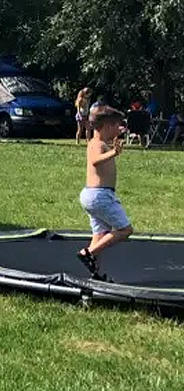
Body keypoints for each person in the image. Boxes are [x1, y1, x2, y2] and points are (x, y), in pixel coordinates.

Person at [77, 106, 133, 280]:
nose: (120, 129)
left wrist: (112, 151)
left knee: (100, 235)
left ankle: (96, 274)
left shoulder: (103, 144)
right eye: (117, 126)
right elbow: (94, 161)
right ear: (107, 126)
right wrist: (113, 153)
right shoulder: (96, 144)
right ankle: (88, 253)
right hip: (99, 196)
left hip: (95, 196)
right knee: (125, 230)